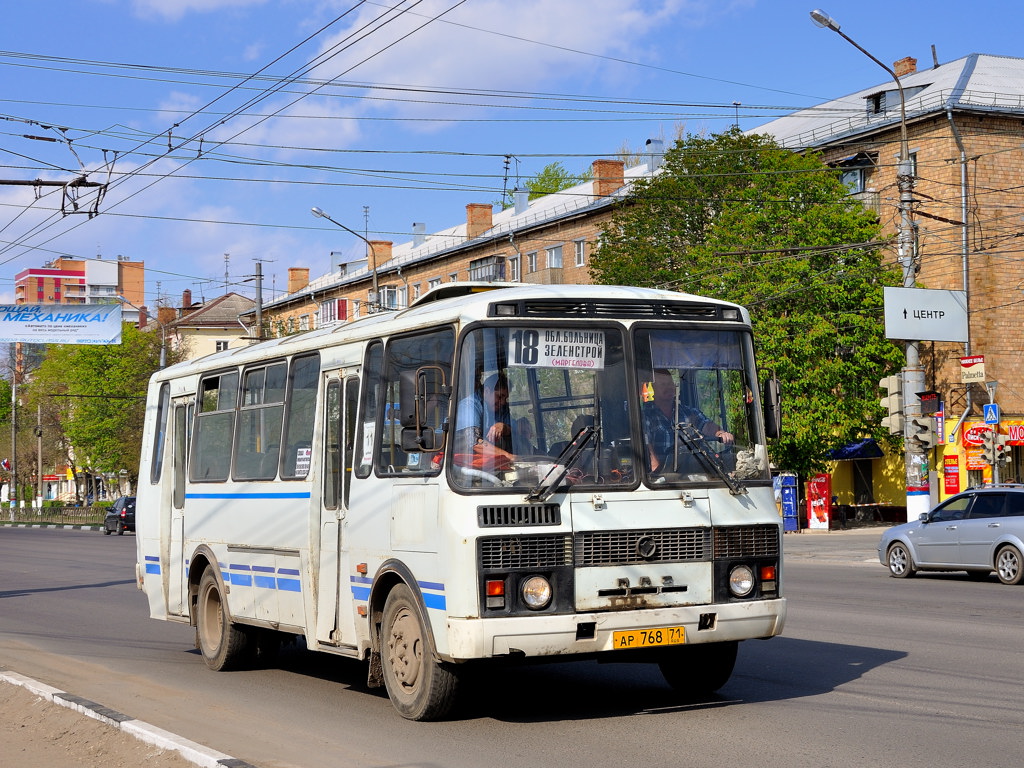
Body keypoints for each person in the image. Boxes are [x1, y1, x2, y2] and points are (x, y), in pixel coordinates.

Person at [643, 369, 733, 473]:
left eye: (670, 383)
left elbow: (706, 425)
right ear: (653, 388)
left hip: (693, 470)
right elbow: (646, 444)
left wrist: (720, 433)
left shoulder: (689, 412)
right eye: (663, 384)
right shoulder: (646, 415)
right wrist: (656, 471)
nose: (668, 387)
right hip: (664, 474)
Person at [455, 373, 531, 462]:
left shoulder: (502, 408)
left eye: (505, 398)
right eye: (499, 396)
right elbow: (474, 442)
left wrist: (503, 426)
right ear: (486, 391)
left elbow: (516, 432)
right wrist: (509, 456)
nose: (502, 402)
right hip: (454, 456)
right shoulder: (469, 405)